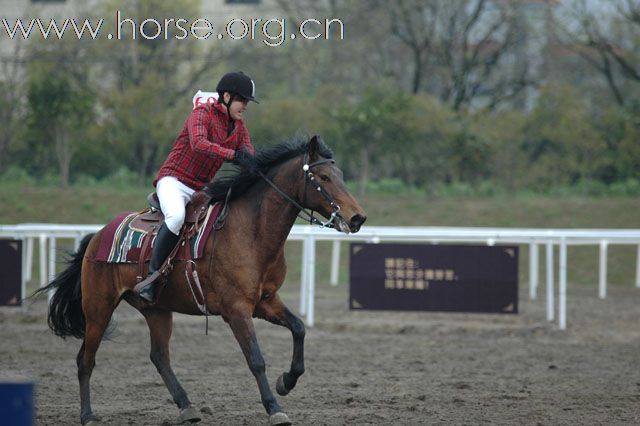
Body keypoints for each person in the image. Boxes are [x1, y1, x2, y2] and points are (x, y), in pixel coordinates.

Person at [136, 71, 258, 302]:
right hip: (174, 181)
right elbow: (200, 144)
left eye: (247, 102)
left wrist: (257, 166)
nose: (246, 106)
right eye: (243, 100)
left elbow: (248, 153)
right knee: (176, 217)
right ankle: (151, 279)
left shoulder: (239, 127)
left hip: (202, 188)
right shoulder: (201, 113)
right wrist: (234, 155)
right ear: (227, 96)